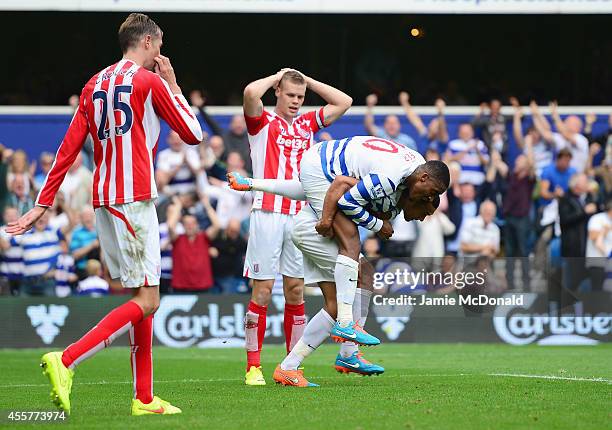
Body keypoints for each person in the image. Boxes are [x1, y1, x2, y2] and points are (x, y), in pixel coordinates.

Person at [6, 13, 202, 415]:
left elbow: (67, 149)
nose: (160, 55)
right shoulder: (149, 81)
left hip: (104, 200)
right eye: (159, 46)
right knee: (149, 299)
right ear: (147, 42)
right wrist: (174, 85)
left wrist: (42, 205)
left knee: (142, 294)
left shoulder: (93, 84)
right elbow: (192, 134)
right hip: (133, 199)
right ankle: (66, 360)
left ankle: (144, 398)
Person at [230, 135, 449, 385]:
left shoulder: (406, 179)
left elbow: (308, 189)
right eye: (426, 203)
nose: (422, 215)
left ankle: (292, 366)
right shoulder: (390, 180)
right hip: (314, 199)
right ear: (422, 181)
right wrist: (377, 224)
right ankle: (347, 333)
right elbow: (341, 188)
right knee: (354, 247)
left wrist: (252, 183)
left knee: (346, 293)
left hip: (308, 209)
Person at [241, 68, 352, 385]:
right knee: (262, 291)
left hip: (300, 213)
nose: (295, 101)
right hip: (267, 211)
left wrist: (309, 81)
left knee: (295, 291)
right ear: (277, 91)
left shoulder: (307, 123)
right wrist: (277, 76)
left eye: (300, 97)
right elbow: (250, 93)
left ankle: (291, 367)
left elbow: (344, 102)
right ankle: (253, 367)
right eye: (290, 94)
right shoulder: (262, 121)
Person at [167, 195, 220, 292]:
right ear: (183, 226)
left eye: (192, 223)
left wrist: (207, 205)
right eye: (187, 224)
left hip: (203, 287)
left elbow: (217, 226)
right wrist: (179, 206)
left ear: (197, 225)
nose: (190, 226)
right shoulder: (177, 239)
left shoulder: (204, 237)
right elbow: (170, 226)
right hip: (181, 287)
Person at [531, 101, 589, 172]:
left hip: (576, 177)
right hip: (561, 175)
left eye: (568, 122)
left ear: (578, 127)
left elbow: (564, 133)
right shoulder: (560, 138)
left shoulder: (581, 139)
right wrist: (535, 116)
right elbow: (545, 134)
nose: (564, 124)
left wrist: (555, 115)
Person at [155, 130, 201, 196]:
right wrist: (179, 165)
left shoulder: (191, 153)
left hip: (191, 191)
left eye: (179, 139)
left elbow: (199, 173)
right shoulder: (163, 155)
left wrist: (187, 162)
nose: (176, 141)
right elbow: (161, 181)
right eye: (173, 139)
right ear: (168, 140)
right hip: (171, 191)